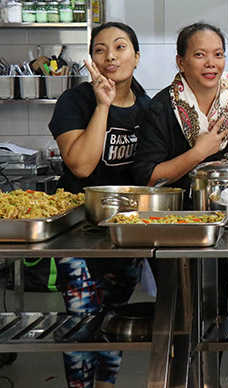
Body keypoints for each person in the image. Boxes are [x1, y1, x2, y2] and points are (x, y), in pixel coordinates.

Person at [48, 22, 148, 388]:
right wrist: (103, 104)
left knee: (112, 318)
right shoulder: (74, 101)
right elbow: (81, 164)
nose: (110, 56)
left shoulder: (147, 109)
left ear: (136, 57)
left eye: (120, 47)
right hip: (75, 233)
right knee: (81, 317)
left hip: (123, 234)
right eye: (100, 49)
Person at [133, 22, 228, 192]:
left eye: (218, 54)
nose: (211, 63)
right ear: (181, 62)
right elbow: (146, 177)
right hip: (183, 212)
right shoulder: (161, 108)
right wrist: (198, 153)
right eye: (199, 55)